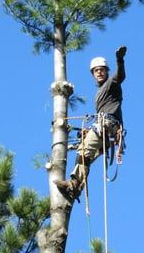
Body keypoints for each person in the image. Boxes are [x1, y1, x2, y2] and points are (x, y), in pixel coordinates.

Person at [54, 46, 127, 200]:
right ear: (93, 74)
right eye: (96, 70)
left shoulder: (111, 84)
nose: (99, 72)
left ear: (107, 71)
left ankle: (73, 184)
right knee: (85, 155)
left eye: (102, 69)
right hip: (104, 128)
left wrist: (120, 60)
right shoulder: (99, 93)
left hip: (107, 126)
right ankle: (76, 187)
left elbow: (120, 77)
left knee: (83, 150)